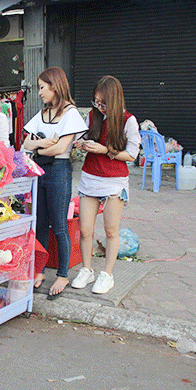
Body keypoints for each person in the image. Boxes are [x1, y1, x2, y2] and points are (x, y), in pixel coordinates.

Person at [71, 75, 141, 294]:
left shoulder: (128, 120)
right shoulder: (93, 116)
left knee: (111, 230)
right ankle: (87, 269)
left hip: (114, 180)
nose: (99, 107)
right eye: (96, 102)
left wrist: (105, 151)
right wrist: (81, 143)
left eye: (103, 103)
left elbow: (132, 154)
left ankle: (107, 274)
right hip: (90, 177)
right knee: (85, 230)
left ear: (115, 100)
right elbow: (83, 134)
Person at [22, 67, 87, 300]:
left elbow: (61, 149)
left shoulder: (71, 113)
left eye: (42, 87)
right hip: (39, 170)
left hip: (59, 170)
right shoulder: (42, 114)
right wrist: (42, 145)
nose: (39, 92)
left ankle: (62, 274)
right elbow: (25, 145)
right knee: (39, 224)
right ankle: (38, 270)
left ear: (55, 86)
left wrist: (38, 145)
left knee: (59, 225)